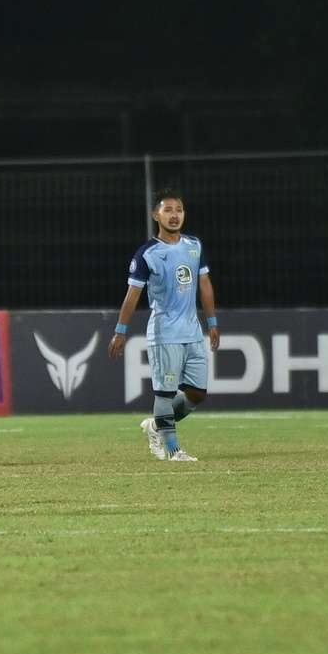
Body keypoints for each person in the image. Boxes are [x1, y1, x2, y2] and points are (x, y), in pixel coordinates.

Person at [107, 189, 220, 461]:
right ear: (155, 215)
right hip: (165, 332)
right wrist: (120, 331)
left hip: (192, 332)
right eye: (167, 210)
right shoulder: (148, 253)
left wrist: (212, 322)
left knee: (197, 393)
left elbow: (204, 284)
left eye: (178, 210)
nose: (174, 215)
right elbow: (132, 295)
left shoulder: (194, 245)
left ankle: (157, 425)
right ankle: (172, 450)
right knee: (165, 392)